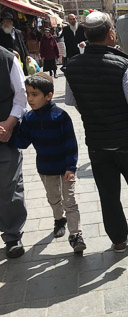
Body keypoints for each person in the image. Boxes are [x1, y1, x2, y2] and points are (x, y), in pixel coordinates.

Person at [64, 12, 128, 252]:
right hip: (127, 140)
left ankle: (118, 240)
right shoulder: (122, 65)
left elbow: (73, 101)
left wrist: (95, 115)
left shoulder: (72, 67)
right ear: (111, 34)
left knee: (108, 194)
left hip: (98, 142)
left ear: (86, 35)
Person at [12, 73, 86, 252]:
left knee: (70, 200)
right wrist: (13, 128)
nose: (30, 99)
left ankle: (75, 235)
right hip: (45, 169)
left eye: (35, 94)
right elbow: (22, 142)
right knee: (54, 198)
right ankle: (59, 219)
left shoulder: (60, 116)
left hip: (65, 167)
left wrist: (71, 166)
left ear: (49, 96)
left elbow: (71, 144)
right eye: (28, 94)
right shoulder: (29, 119)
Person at [0, 46, 28, 258]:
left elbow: (21, 97)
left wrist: (9, 124)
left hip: (4, 134)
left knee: (9, 184)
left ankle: (12, 235)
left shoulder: (7, 59)